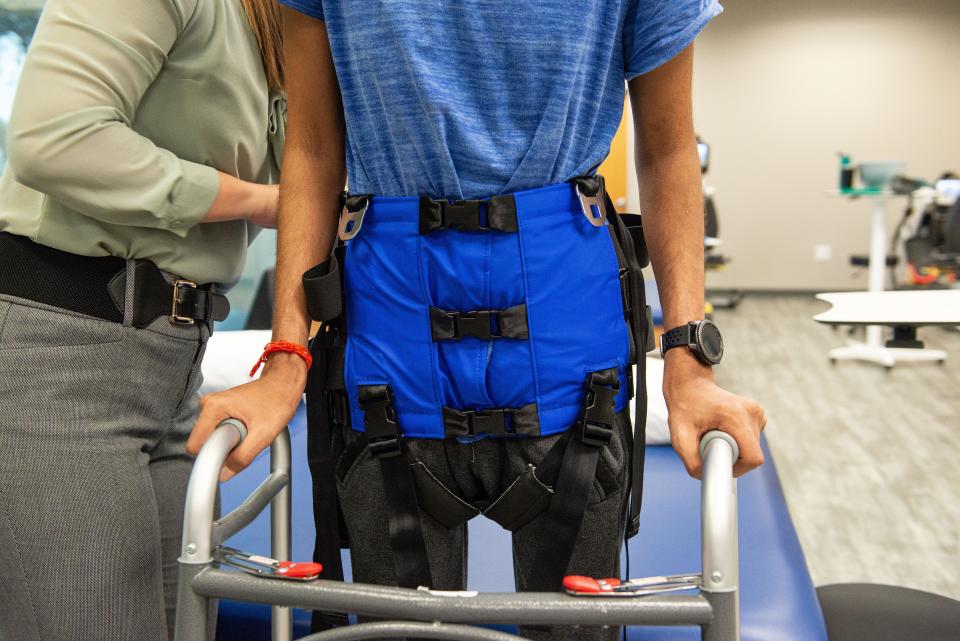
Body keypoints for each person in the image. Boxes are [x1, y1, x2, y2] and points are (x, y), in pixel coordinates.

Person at [190, 1, 767, 639]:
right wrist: (285, 355)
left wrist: (687, 360)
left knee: (576, 631)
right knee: (393, 631)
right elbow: (314, 146)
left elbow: (665, 148)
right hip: (391, 348)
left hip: (572, 366)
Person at [0, 1, 284, 639]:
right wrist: (263, 203)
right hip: (61, 352)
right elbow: (57, 138)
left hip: (174, 367)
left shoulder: (281, 22)